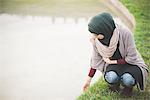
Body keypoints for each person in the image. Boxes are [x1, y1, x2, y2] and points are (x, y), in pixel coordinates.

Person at [83, 12, 148, 96]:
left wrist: (111, 62)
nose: (93, 37)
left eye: (96, 34)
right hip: (114, 66)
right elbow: (95, 60)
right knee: (111, 77)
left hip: (131, 64)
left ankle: (128, 88)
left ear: (105, 30)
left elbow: (132, 58)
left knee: (128, 79)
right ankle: (114, 86)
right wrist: (88, 81)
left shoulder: (125, 33)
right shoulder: (97, 41)